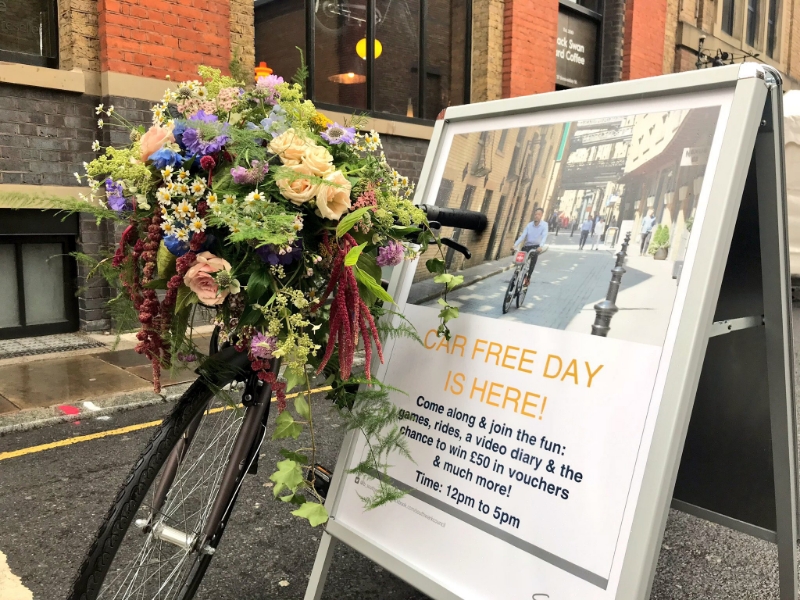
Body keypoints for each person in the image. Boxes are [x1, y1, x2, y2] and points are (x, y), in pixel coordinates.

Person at [514, 207, 548, 286]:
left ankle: (528, 277)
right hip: (527, 246)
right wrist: (515, 245)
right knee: (519, 260)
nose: (536, 216)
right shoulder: (529, 225)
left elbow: (544, 236)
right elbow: (522, 236)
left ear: (541, 216)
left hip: (536, 247)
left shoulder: (544, 225)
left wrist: (541, 246)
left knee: (533, 259)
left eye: (538, 214)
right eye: (535, 214)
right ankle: (517, 273)